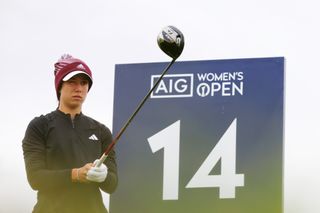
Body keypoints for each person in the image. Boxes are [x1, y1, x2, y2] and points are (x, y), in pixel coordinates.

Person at [22, 54, 118, 213]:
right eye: (72, 82)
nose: (79, 88)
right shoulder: (39, 126)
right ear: (60, 86)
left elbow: (112, 185)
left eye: (84, 83)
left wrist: (104, 176)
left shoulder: (101, 130)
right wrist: (76, 174)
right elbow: (36, 178)